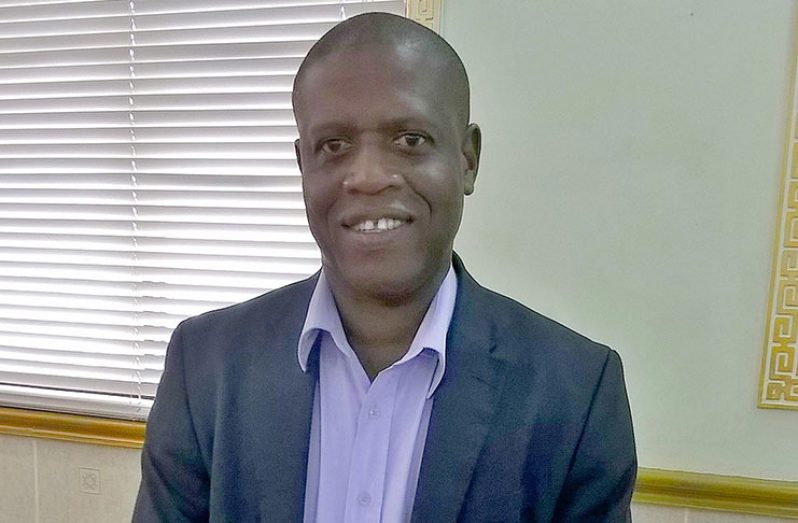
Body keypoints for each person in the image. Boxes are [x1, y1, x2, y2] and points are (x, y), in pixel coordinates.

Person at [133, 12, 636, 523]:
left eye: (410, 139)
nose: (368, 177)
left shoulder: (575, 393)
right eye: (334, 145)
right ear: (303, 164)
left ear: (467, 160)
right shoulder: (206, 366)